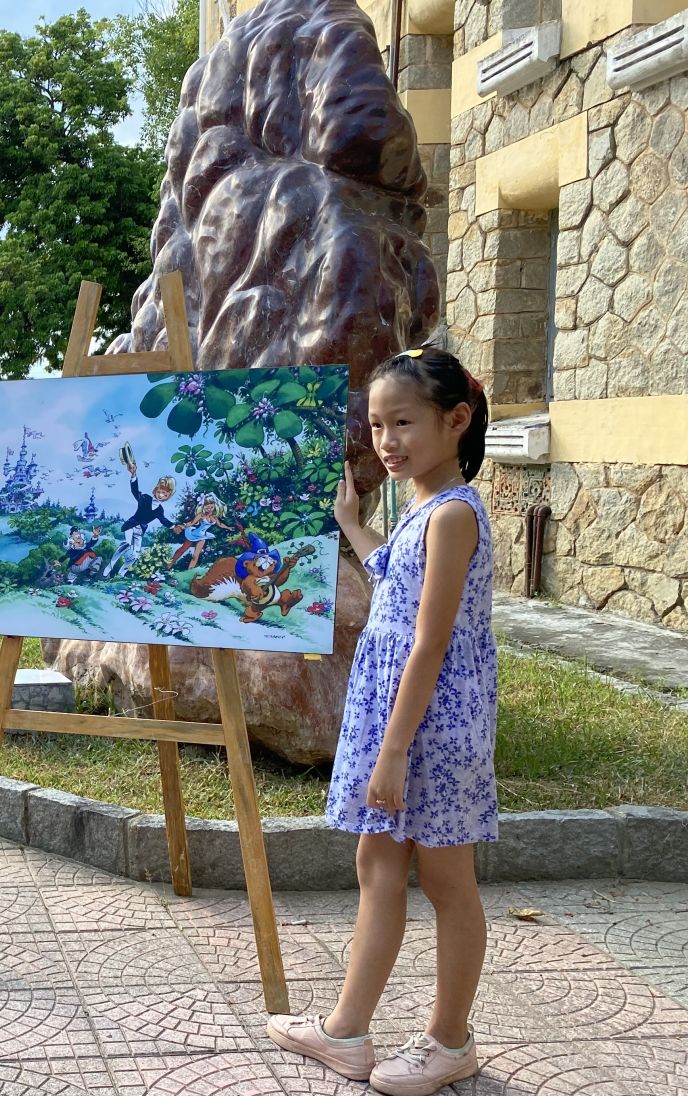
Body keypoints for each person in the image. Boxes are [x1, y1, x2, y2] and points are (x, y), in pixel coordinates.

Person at [266, 347, 495, 1096]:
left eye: (402, 423)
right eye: (374, 425)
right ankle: (346, 1033)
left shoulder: (453, 514)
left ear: (456, 420)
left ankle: (450, 1041)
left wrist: (392, 750)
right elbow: (395, 577)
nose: (385, 441)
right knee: (378, 864)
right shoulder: (423, 510)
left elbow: (430, 641)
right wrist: (351, 525)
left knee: (447, 880)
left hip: (431, 725)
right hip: (400, 716)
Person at [104, 445, 175, 578]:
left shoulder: (160, 509)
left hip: (141, 530)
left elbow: (163, 520)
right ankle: (110, 566)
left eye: (164, 494)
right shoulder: (145, 498)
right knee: (126, 544)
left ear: (168, 496)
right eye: (160, 492)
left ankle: (121, 574)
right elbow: (135, 491)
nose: (161, 495)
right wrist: (133, 474)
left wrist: (173, 526)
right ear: (156, 489)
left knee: (135, 555)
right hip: (132, 525)